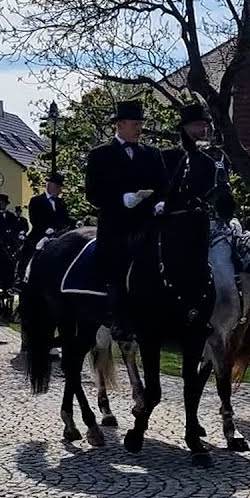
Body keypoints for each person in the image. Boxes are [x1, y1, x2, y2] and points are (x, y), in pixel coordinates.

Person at [84, 99, 169, 341]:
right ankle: (114, 313)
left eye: (141, 124)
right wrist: (121, 200)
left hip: (148, 224)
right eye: (135, 124)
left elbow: (164, 186)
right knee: (116, 262)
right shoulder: (100, 155)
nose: (139, 128)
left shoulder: (152, 154)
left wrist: (161, 202)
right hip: (116, 225)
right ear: (120, 125)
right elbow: (92, 194)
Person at [162, 102, 235, 221]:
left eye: (205, 125)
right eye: (197, 125)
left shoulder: (217, 155)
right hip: (179, 220)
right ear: (185, 128)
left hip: (211, 219)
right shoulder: (171, 157)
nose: (203, 129)